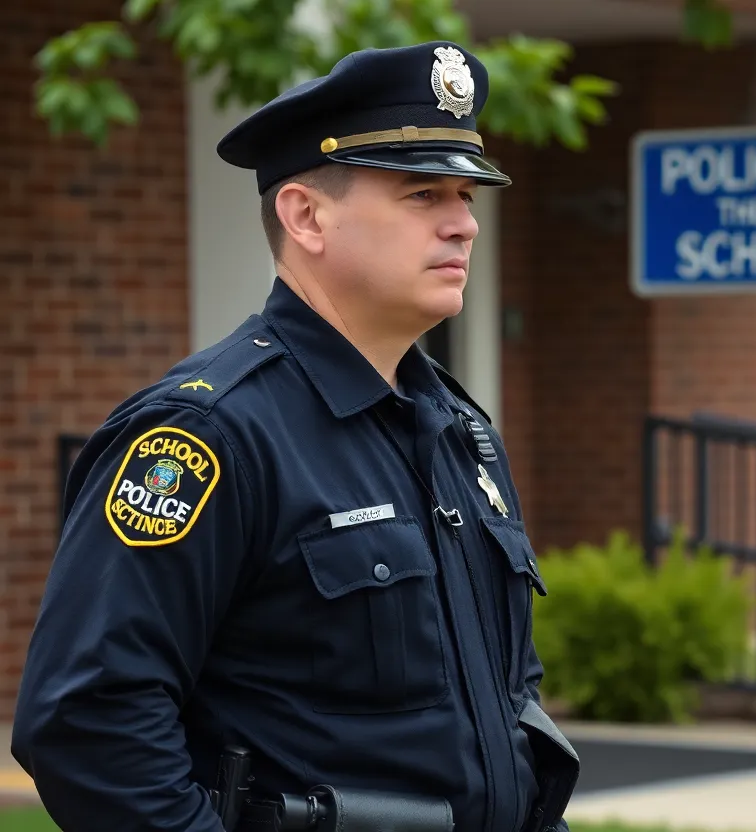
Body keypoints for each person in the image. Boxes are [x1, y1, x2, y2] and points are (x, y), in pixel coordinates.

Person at [12, 40, 578, 832]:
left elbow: (509, 702)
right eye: (423, 195)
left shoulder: (458, 431)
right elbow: (89, 724)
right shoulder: (206, 435)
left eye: (468, 197)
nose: (463, 225)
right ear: (305, 215)